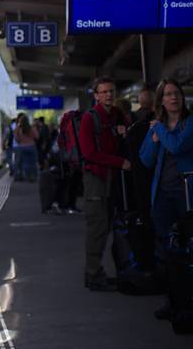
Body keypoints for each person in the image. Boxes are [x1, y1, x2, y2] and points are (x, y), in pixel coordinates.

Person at [139, 79, 193, 319]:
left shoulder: (189, 123)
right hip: (162, 194)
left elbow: (178, 147)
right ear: (161, 100)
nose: (173, 98)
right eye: (168, 94)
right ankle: (173, 301)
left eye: (176, 94)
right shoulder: (157, 128)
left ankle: (187, 302)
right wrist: (153, 141)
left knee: (187, 247)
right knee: (166, 250)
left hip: (186, 193)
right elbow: (146, 160)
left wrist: (158, 130)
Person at [79, 77, 131, 291]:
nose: (109, 94)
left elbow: (123, 140)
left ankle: (97, 272)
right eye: (104, 91)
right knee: (98, 228)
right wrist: (120, 162)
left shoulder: (116, 115)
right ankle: (92, 275)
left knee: (107, 225)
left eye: (112, 90)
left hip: (113, 178)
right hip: (96, 180)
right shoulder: (89, 119)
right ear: (96, 95)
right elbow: (89, 153)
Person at [14, 113, 39, 182]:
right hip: (31, 146)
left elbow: (17, 139)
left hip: (22, 147)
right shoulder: (32, 128)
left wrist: (21, 141)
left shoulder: (18, 129)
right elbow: (37, 137)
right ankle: (34, 177)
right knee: (33, 163)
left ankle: (28, 177)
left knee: (25, 163)